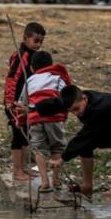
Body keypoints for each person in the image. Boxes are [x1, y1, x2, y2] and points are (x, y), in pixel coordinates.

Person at [38, 85, 111, 211]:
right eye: (72, 111)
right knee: (85, 145)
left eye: (77, 109)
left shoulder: (99, 108)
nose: (76, 113)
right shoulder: (72, 100)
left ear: (84, 98)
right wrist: (30, 111)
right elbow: (51, 105)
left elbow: (83, 136)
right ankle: (87, 187)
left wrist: (62, 159)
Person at [18, 51, 71, 193]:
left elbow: (22, 105)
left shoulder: (29, 81)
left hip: (35, 118)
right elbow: (66, 99)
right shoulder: (58, 78)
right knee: (57, 147)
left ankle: (44, 181)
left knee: (38, 148)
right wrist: (64, 116)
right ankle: (56, 179)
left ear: (32, 68)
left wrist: (20, 121)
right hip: (54, 118)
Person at [4, 22, 45, 181]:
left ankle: (25, 167)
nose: (38, 44)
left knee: (27, 134)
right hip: (15, 102)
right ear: (25, 38)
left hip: (26, 102)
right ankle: (17, 170)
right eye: (35, 41)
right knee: (18, 134)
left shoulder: (34, 56)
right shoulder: (21, 55)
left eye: (41, 41)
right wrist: (9, 101)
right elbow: (12, 79)